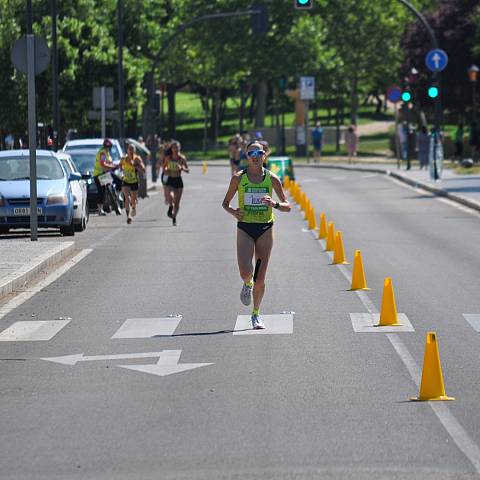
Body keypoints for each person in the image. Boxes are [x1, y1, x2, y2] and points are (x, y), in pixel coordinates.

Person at [222, 141, 291, 330]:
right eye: (250, 152)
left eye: (258, 152)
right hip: (245, 228)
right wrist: (234, 212)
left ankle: (256, 314)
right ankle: (247, 282)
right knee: (246, 272)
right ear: (246, 156)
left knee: (261, 278)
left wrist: (274, 204)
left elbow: (288, 206)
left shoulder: (272, 179)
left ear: (264, 156)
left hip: (265, 230)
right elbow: (225, 203)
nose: (254, 155)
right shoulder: (238, 178)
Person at [163, 140, 189, 226]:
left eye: (177, 147)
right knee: (170, 195)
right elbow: (164, 167)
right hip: (170, 179)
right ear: (172, 149)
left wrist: (182, 168)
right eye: (174, 147)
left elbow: (188, 170)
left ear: (179, 148)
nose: (175, 149)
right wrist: (166, 170)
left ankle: (174, 217)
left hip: (178, 180)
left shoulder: (182, 158)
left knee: (177, 202)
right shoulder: (169, 158)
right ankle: (171, 206)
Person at [120, 144, 145, 224]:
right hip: (125, 181)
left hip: (134, 181)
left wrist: (134, 165)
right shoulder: (124, 158)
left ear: (135, 151)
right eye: (129, 149)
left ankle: (133, 207)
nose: (131, 151)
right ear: (127, 150)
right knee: (127, 198)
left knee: (133, 200)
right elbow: (120, 167)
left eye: (132, 150)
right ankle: (128, 217)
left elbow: (143, 169)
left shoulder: (137, 159)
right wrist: (122, 172)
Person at [93, 138, 118, 215]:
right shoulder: (103, 152)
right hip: (99, 174)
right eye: (109, 147)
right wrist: (111, 167)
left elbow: (108, 162)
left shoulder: (106, 152)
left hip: (105, 174)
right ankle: (100, 210)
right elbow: (103, 163)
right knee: (102, 191)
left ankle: (116, 200)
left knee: (111, 186)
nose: (109, 148)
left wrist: (113, 165)